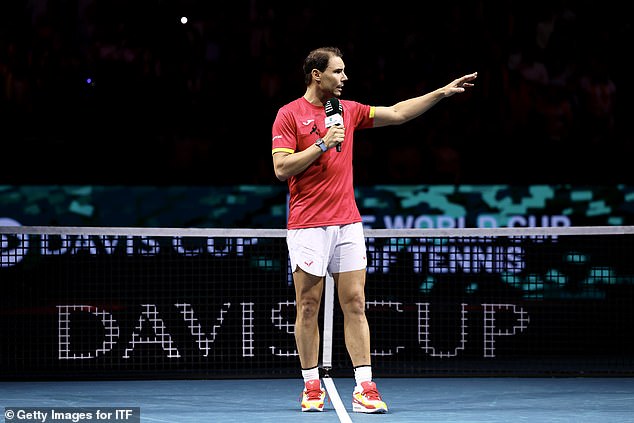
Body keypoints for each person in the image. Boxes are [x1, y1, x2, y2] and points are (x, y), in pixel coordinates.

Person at [271, 46, 477, 414]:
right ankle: (311, 385)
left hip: (347, 222)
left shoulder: (347, 111)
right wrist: (321, 144)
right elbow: (282, 169)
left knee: (355, 303)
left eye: (344, 71)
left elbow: (397, 113)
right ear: (316, 75)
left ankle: (365, 387)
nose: (344, 78)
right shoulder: (289, 115)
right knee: (308, 306)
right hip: (307, 226)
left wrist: (440, 93)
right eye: (337, 72)